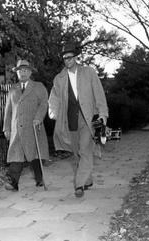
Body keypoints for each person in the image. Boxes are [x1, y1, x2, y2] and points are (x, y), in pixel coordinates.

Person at [48, 42, 108, 198]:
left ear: (75, 57)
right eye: (64, 58)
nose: (67, 61)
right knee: (76, 153)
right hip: (69, 119)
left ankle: (79, 184)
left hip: (88, 118)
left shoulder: (88, 73)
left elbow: (99, 94)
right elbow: (54, 97)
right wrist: (53, 111)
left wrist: (103, 114)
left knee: (84, 149)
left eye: (69, 57)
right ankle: (87, 180)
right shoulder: (59, 78)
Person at [3, 59, 49, 191]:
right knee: (16, 155)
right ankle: (13, 182)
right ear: (17, 73)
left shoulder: (38, 87)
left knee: (34, 155)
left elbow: (44, 104)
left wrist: (39, 118)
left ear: (30, 72)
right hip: (17, 128)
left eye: (25, 70)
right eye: (20, 71)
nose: (22, 73)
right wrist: (6, 127)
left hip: (34, 127)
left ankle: (39, 178)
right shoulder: (13, 89)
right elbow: (8, 110)